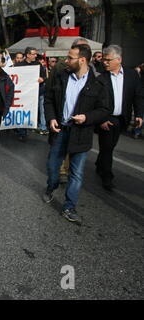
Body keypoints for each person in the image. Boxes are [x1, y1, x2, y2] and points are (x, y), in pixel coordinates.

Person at [42, 44, 112, 225]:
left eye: (70, 57)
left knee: (76, 173)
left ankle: (69, 207)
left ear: (82, 60)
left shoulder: (98, 82)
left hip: (81, 133)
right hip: (60, 131)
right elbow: (49, 99)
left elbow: (105, 110)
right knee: (52, 167)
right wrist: (50, 118)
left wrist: (87, 117)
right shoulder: (61, 75)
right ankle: (52, 186)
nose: (66, 60)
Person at [95, 45, 143, 190]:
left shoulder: (132, 75)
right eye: (104, 59)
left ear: (119, 59)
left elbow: (138, 96)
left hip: (122, 118)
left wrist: (139, 114)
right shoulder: (100, 77)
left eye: (108, 60)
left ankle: (100, 162)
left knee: (109, 146)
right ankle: (107, 177)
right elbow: (95, 101)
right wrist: (101, 119)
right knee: (108, 148)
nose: (105, 62)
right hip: (107, 118)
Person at [15, 47, 47, 138]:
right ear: (28, 55)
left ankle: (37, 126)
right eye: (33, 54)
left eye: (36, 54)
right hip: (24, 94)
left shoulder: (38, 64)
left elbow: (44, 76)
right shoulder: (19, 65)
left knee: (35, 111)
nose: (35, 56)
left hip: (37, 92)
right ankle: (22, 132)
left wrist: (42, 79)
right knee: (24, 112)